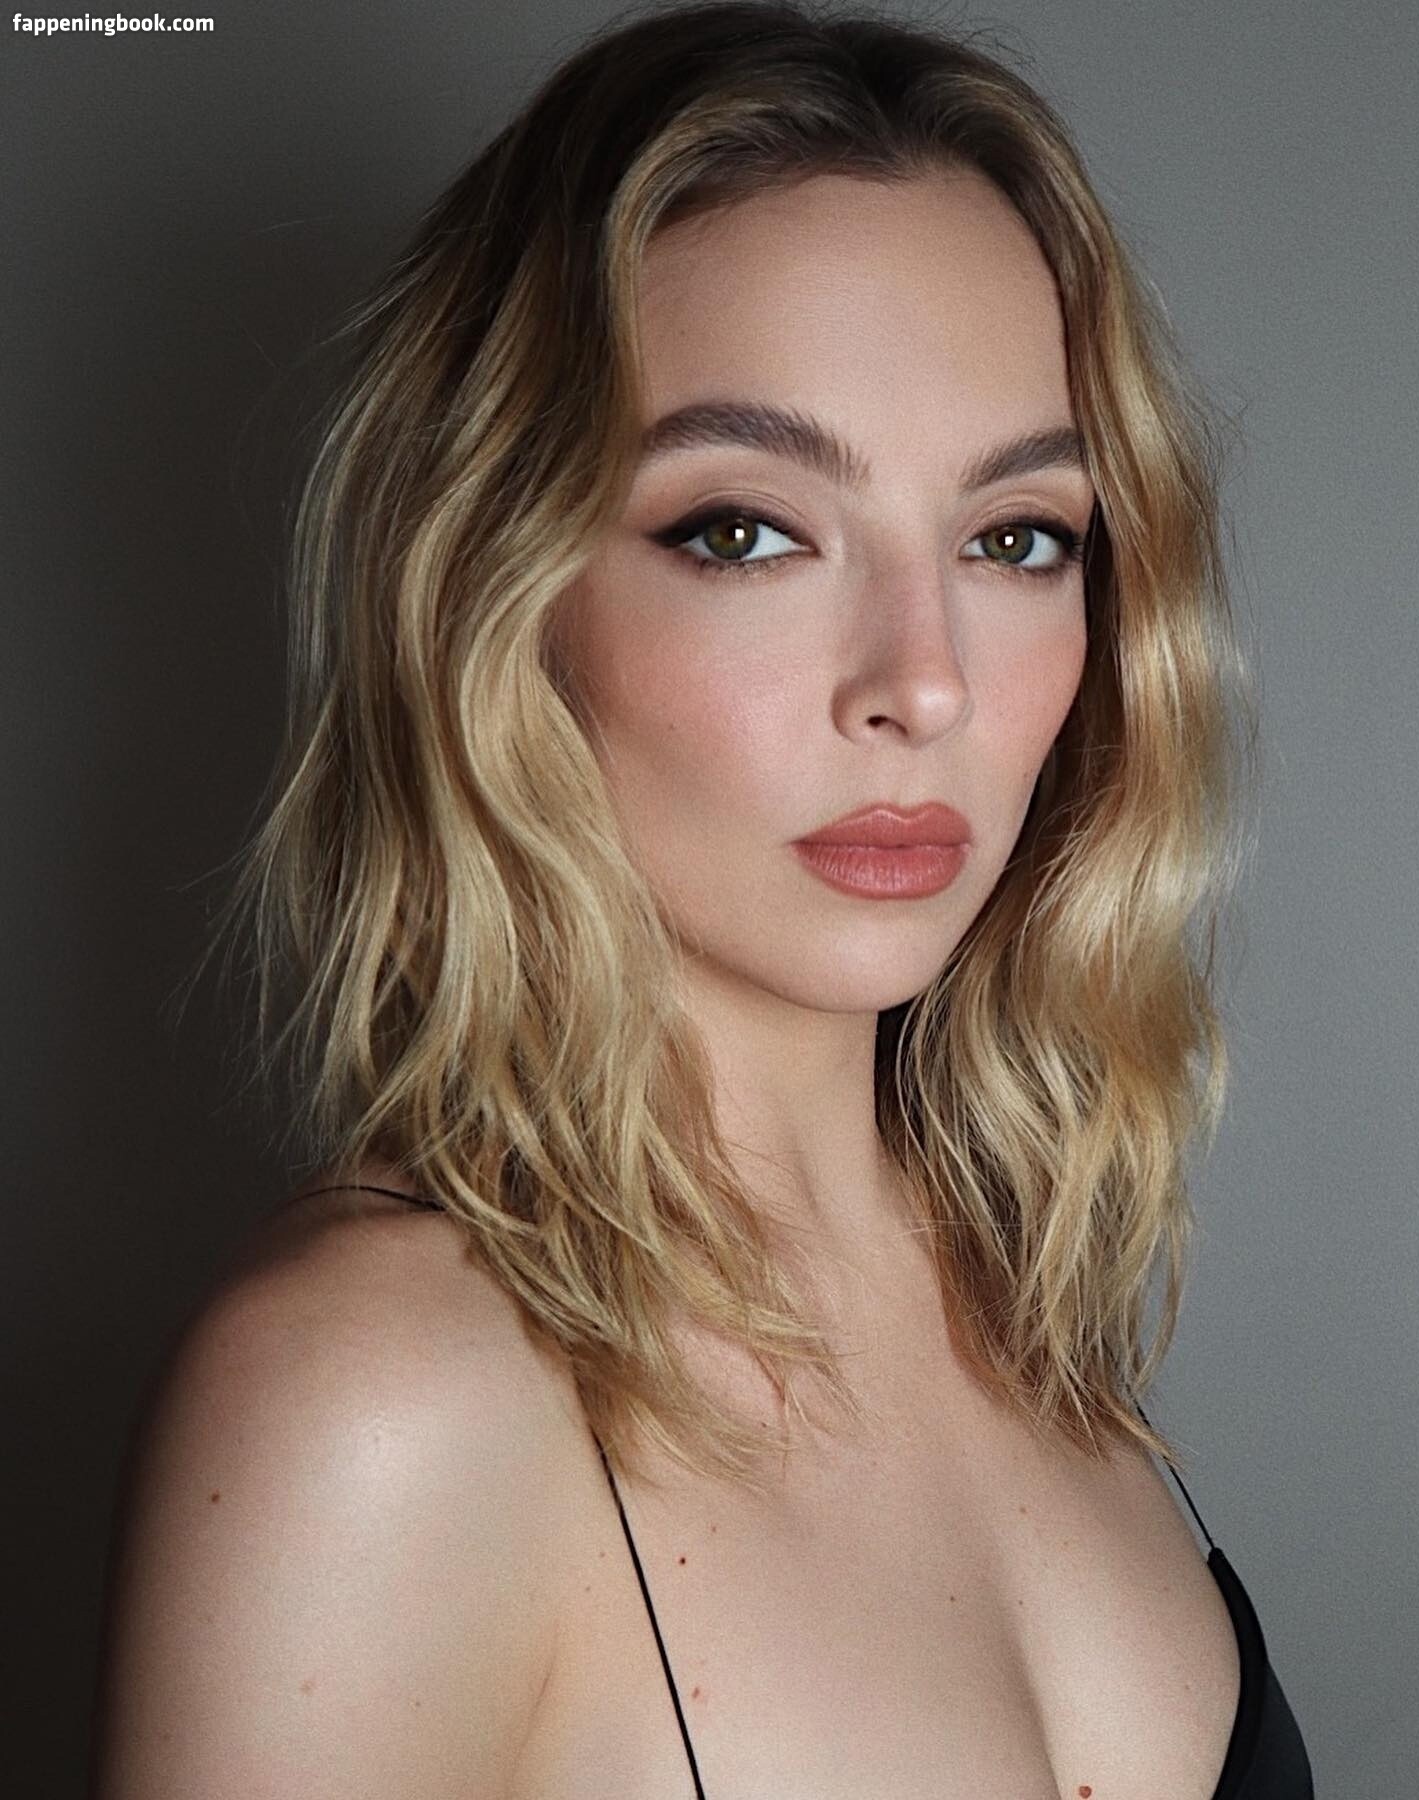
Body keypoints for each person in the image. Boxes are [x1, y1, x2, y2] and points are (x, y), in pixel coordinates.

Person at [91, 4, 1314, 1795]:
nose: (924, 683)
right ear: (498, 594)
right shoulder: (370, 1398)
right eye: (746, 530)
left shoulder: (1023, 1298)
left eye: (1015, 537)